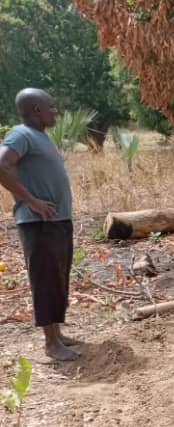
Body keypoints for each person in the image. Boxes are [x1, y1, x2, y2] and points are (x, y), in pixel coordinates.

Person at [0, 88, 79, 361]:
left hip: (57, 220)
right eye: (51, 106)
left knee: (57, 278)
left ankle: (57, 334)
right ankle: (51, 343)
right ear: (36, 110)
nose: (54, 110)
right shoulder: (21, 135)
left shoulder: (40, 137)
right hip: (38, 223)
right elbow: (1, 165)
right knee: (45, 280)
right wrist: (32, 201)